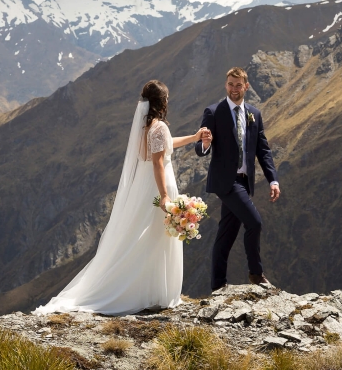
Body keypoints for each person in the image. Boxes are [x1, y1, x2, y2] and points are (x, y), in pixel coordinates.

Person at [35, 80, 207, 315]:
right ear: (161, 102)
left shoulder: (146, 128)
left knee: (146, 235)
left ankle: (146, 290)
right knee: (157, 236)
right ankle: (154, 292)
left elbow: (163, 147)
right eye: (166, 98)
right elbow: (158, 161)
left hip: (146, 186)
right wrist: (165, 196)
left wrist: (194, 137)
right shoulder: (160, 128)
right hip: (159, 186)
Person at [195, 67, 280, 291]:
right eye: (230, 84)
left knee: (227, 233)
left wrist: (273, 180)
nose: (234, 89)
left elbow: (263, 150)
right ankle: (256, 273)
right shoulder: (214, 112)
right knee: (255, 222)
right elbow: (200, 146)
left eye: (238, 85)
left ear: (246, 86)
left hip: (244, 181)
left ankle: (217, 285)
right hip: (226, 182)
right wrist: (204, 145)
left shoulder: (255, 114)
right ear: (226, 85)